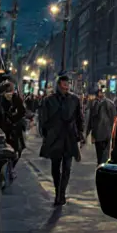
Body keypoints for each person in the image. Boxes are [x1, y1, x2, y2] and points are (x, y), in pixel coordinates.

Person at [38, 75, 83, 206]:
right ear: (59, 85)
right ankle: (58, 190)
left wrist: (80, 133)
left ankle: (61, 194)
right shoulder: (49, 100)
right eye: (64, 84)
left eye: (67, 84)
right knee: (55, 167)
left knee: (67, 167)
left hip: (69, 137)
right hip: (55, 138)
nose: (66, 86)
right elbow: (43, 120)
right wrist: (46, 134)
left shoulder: (74, 100)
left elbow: (79, 118)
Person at [0, 81, 27, 191]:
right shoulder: (0, 99)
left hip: (11, 129)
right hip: (5, 129)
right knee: (10, 151)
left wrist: (12, 119)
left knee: (16, 151)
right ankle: (5, 173)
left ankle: (9, 170)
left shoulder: (14, 98)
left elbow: (22, 111)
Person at [85, 90, 117, 164]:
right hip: (107, 133)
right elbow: (114, 119)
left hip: (98, 134)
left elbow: (90, 120)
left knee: (100, 155)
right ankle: (103, 165)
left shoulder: (94, 104)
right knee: (105, 154)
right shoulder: (110, 103)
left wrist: (87, 133)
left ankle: (100, 166)